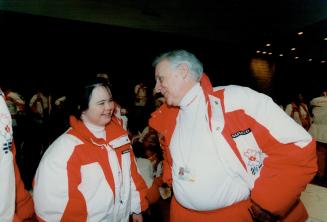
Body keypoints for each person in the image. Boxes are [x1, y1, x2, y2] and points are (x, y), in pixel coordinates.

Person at [148, 49, 317, 222]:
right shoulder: (168, 118)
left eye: (160, 79)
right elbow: (171, 159)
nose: (156, 88)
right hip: (180, 214)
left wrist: (269, 201)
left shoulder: (237, 100)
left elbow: (298, 146)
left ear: (183, 71)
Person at [33, 77, 148, 222]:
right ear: (82, 108)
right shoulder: (65, 150)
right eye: (101, 103)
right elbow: (53, 209)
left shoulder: (120, 139)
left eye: (110, 100)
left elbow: (131, 175)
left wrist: (136, 208)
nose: (109, 107)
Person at [0, 88, 35, 221]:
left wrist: (24, 204)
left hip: (13, 124)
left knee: (13, 151)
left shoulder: (4, 96)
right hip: (13, 123)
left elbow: (9, 162)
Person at [308, 89, 327, 184]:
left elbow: (311, 106)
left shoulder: (315, 100)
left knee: (320, 154)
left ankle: (320, 175)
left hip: (318, 132)